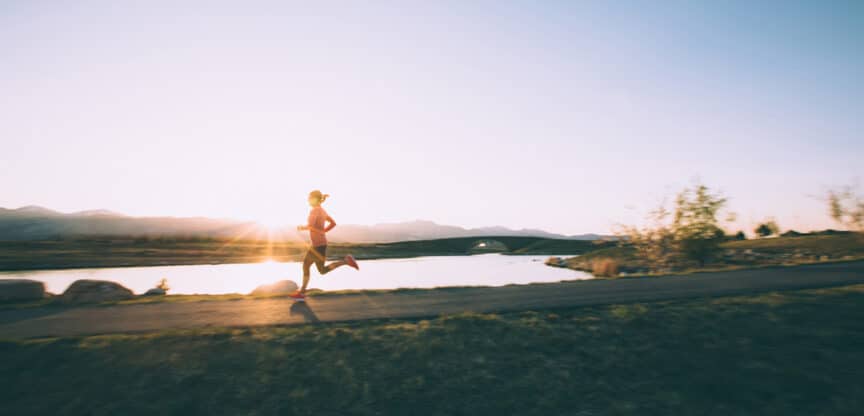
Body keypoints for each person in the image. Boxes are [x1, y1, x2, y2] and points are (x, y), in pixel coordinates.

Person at [290, 190, 359, 301]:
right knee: (322, 270)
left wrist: (302, 227)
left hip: (317, 245)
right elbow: (333, 223)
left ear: (315, 199)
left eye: (309, 198)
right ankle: (346, 261)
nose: (308, 200)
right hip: (321, 244)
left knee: (306, 265)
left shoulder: (314, 211)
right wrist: (323, 231)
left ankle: (302, 293)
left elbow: (311, 226)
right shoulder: (322, 211)